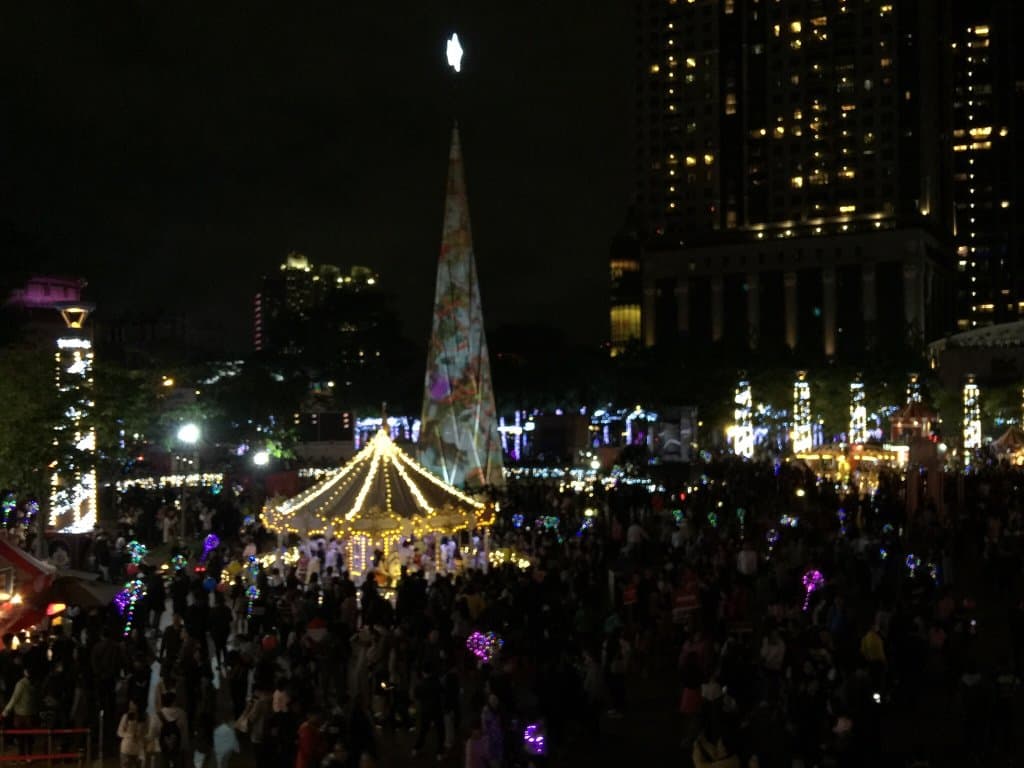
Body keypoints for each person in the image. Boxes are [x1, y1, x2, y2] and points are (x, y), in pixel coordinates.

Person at [2, 667, 38, 755]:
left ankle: (22, 755)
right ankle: (28, 755)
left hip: (20, 715)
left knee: (21, 736)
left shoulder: (21, 684)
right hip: (30, 713)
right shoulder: (34, 683)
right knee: (29, 737)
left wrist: (5, 711)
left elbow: (14, 698)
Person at [149, 691, 189, 768]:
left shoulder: (156, 715)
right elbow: (185, 735)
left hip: (160, 750)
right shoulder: (182, 714)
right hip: (177, 750)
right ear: (174, 701)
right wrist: (185, 749)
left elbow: (152, 735)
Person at [117, 700, 148, 768]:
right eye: (130, 704)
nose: (131, 706)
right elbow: (119, 732)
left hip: (138, 749)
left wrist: (141, 736)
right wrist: (130, 735)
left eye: (133, 704)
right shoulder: (126, 716)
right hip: (127, 748)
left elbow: (146, 732)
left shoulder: (144, 716)